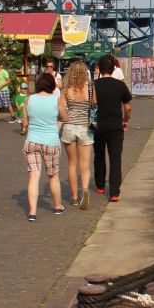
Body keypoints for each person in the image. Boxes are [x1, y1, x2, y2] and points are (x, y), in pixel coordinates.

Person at [21, 73, 67, 221]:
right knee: (53, 176)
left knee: (34, 176)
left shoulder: (29, 99)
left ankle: (32, 212)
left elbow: (25, 123)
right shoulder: (56, 100)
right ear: (52, 86)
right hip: (51, 141)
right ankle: (57, 206)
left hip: (32, 140)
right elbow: (65, 117)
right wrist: (57, 126)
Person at [92, 54, 132, 202]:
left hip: (98, 126)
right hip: (116, 126)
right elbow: (128, 107)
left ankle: (100, 185)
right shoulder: (120, 85)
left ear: (100, 69)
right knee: (115, 159)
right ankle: (114, 192)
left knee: (99, 156)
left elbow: (92, 105)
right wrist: (126, 120)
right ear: (114, 68)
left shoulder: (94, 85)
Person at [60, 61, 95, 208]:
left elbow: (61, 110)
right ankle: (85, 190)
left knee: (72, 164)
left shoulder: (66, 89)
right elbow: (94, 105)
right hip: (84, 128)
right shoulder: (90, 89)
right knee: (85, 165)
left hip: (69, 127)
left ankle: (74, 197)